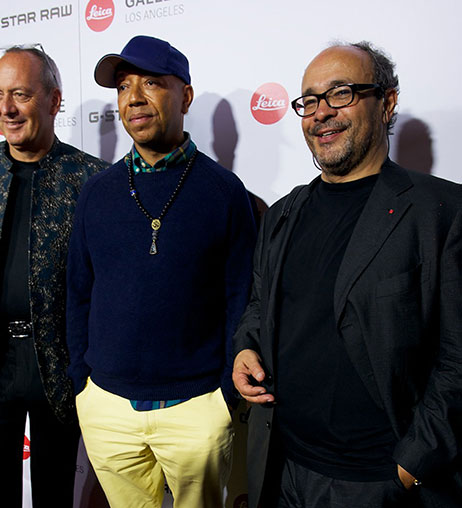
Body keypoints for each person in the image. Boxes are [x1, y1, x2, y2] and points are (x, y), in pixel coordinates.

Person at [232, 41, 462, 508]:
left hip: (376, 481)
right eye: (309, 100)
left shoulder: (441, 212)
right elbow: (260, 304)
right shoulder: (282, 214)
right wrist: (245, 346)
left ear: (387, 102)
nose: (321, 112)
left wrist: (412, 463)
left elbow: (458, 359)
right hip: (283, 468)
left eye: (341, 93)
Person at [66, 35, 256, 508]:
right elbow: (78, 292)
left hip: (197, 407)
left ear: (185, 96)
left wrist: (222, 400)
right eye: (123, 86)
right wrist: (83, 384)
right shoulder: (96, 192)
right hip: (107, 406)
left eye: (150, 82)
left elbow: (241, 297)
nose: (133, 97)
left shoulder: (225, 192)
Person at [0, 45, 107, 508]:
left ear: (54, 100)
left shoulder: (91, 179)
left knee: (55, 493)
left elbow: (102, 285)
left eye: (20, 95)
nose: (5, 109)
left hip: (60, 364)